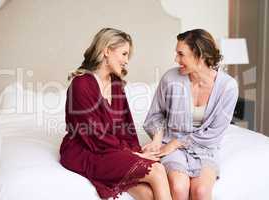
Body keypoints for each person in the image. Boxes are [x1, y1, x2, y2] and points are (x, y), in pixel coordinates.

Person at [60, 28, 171, 200]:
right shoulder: (81, 85)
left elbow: (126, 127)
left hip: (110, 148)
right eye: (124, 54)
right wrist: (133, 155)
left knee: (149, 194)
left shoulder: (116, 84)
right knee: (157, 170)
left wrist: (134, 150)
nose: (127, 61)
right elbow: (93, 135)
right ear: (106, 51)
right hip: (87, 151)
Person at [143, 29, 238, 200]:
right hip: (171, 143)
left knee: (201, 191)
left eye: (181, 54)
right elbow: (156, 115)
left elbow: (215, 133)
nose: (176, 59)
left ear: (200, 55)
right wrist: (157, 139)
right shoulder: (170, 78)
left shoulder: (228, 87)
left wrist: (177, 143)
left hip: (204, 147)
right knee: (179, 188)